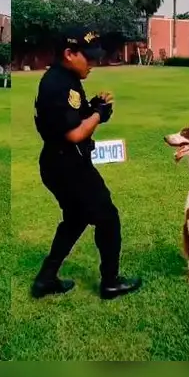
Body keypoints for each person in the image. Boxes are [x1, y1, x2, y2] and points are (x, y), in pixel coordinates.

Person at [32, 30, 142, 300]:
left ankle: (46, 279)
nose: (93, 63)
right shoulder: (58, 84)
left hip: (58, 163)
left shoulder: (65, 78)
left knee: (75, 219)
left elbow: (73, 117)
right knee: (108, 218)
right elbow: (74, 134)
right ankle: (110, 282)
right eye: (89, 58)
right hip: (69, 167)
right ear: (69, 54)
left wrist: (93, 107)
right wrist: (98, 115)